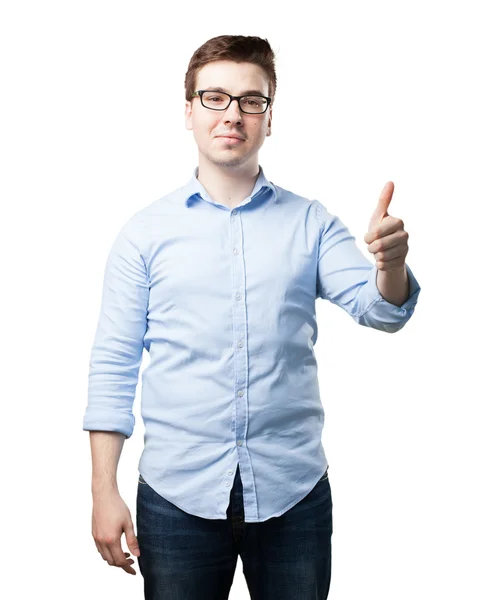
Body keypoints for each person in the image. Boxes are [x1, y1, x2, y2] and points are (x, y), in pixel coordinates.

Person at [83, 34, 421, 600]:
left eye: (251, 100)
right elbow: (113, 366)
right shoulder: (143, 235)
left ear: (269, 116)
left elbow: (381, 309)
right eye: (214, 97)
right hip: (176, 499)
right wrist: (102, 490)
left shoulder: (311, 223)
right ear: (188, 110)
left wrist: (392, 264)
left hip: (294, 495)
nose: (232, 114)